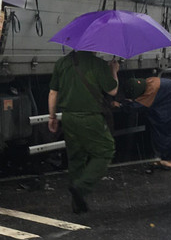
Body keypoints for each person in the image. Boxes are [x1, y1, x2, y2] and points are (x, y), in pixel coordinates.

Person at [48, 50, 120, 213]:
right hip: (90, 117)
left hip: (68, 117)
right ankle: (81, 188)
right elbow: (112, 90)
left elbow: (53, 93)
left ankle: (77, 203)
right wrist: (114, 71)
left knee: (76, 156)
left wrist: (52, 117)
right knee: (105, 151)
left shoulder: (62, 63)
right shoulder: (98, 64)